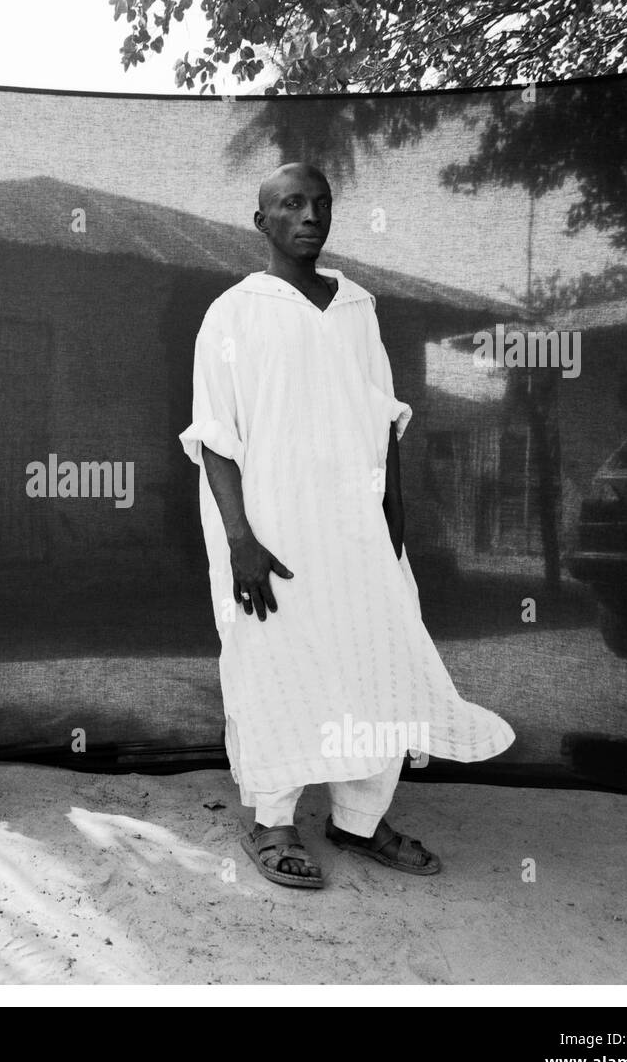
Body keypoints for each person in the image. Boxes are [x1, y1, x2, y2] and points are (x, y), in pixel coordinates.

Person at [179, 163, 514, 888]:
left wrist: (393, 525)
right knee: (274, 669)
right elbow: (214, 436)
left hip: (356, 533)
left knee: (375, 664)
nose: (309, 216)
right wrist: (240, 540)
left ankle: (359, 820)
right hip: (269, 539)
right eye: (291, 204)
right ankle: (272, 824)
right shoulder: (232, 315)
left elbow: (384, 421)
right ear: (260, 221)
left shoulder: (357, 307)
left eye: (321, 204)